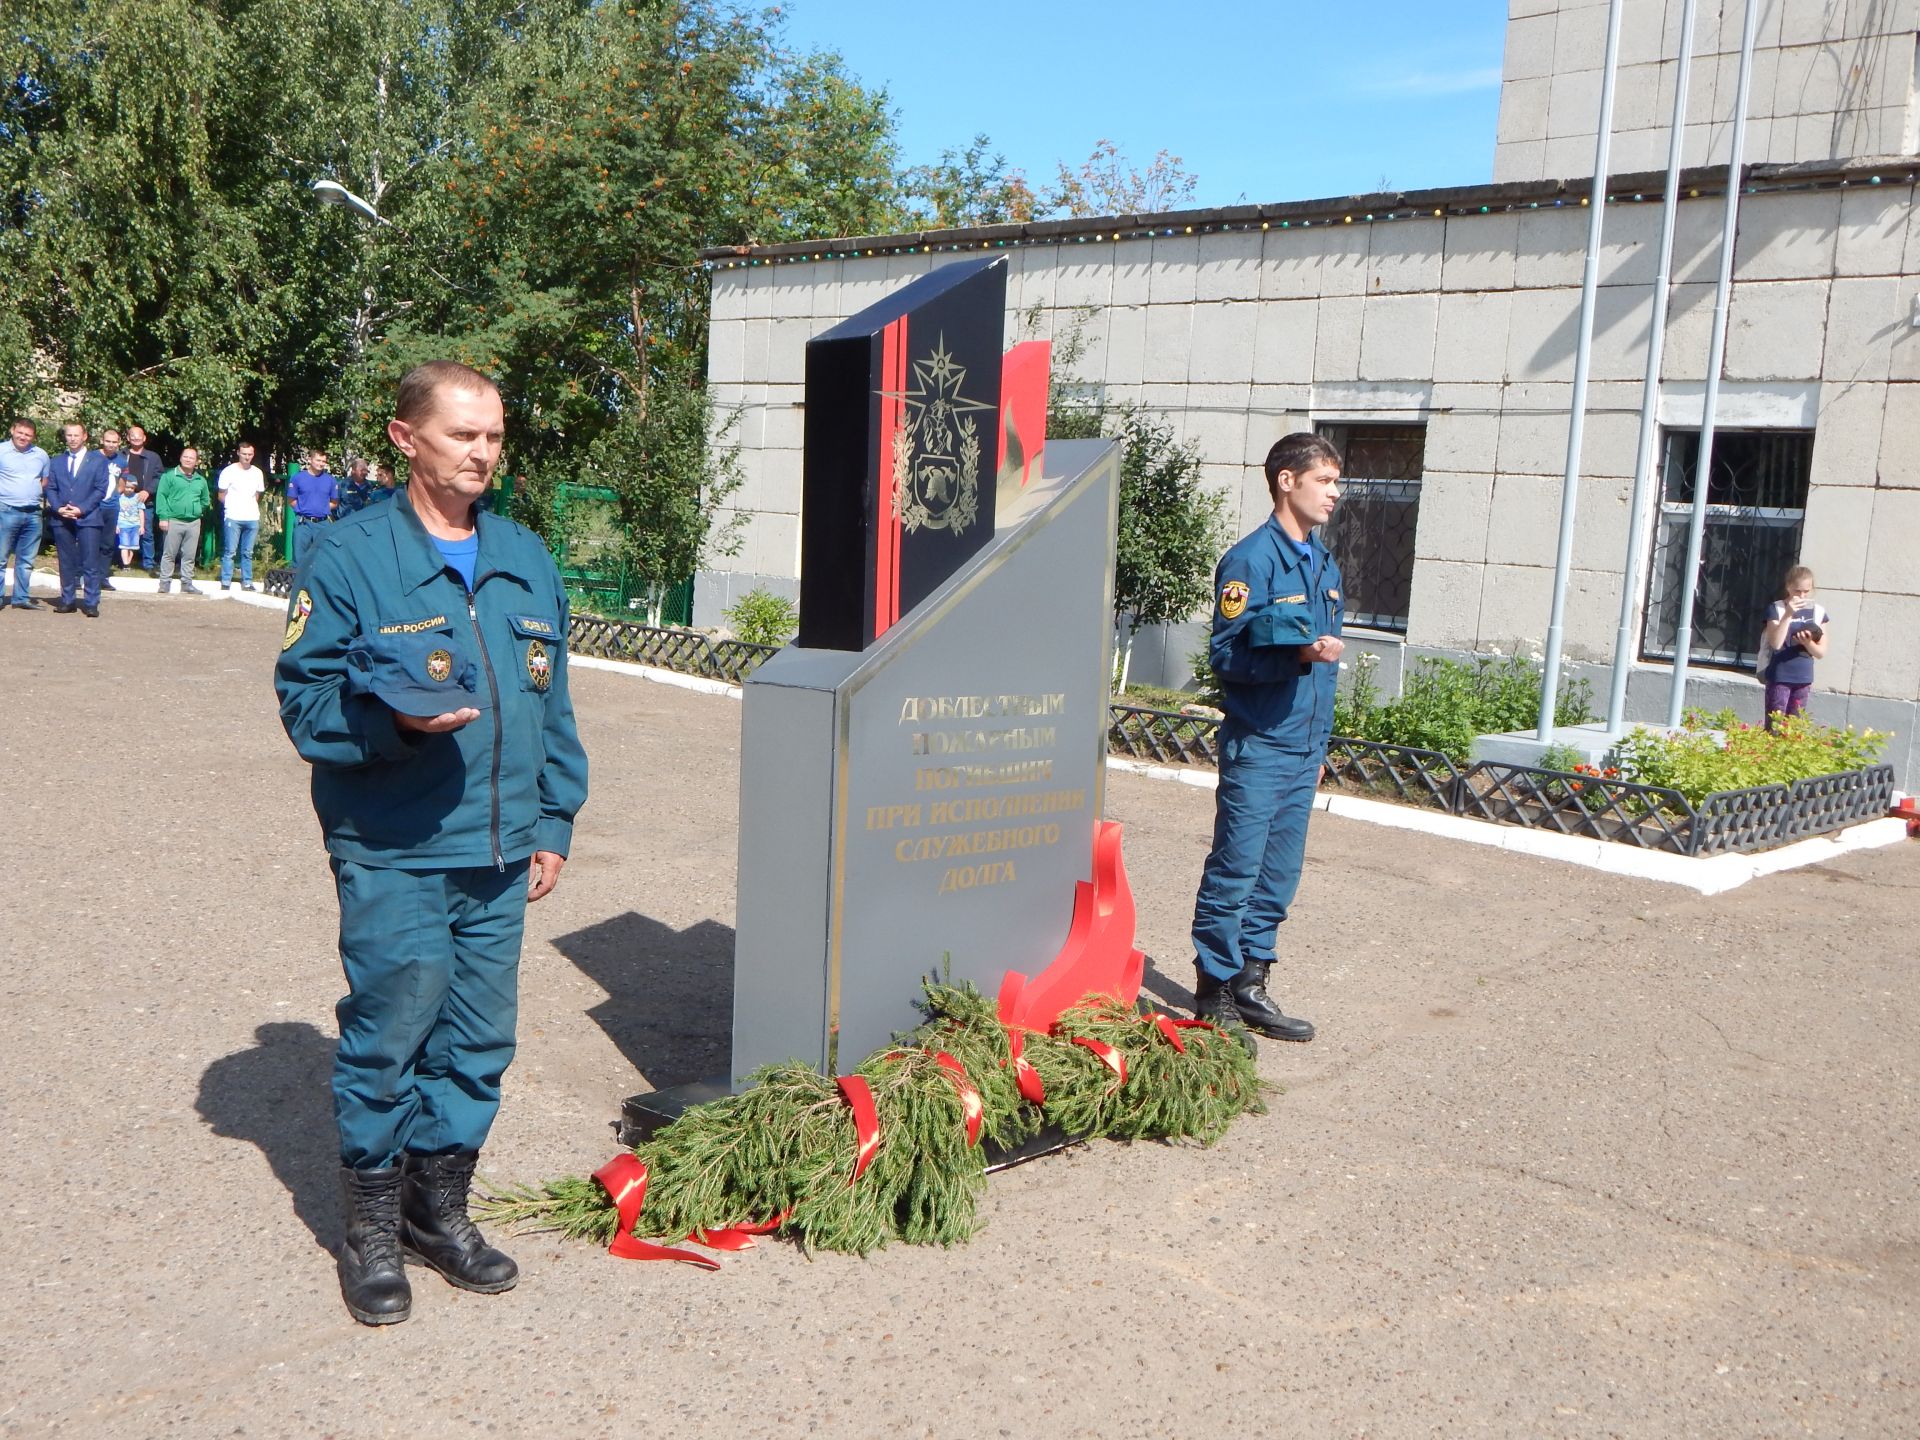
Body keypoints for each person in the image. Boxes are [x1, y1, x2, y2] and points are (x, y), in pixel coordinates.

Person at [275, 360, 588, 1327]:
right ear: (407, 438)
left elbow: (554, 702)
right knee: (390, 1037)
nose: (483, 452)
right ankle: (369, 1226)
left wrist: (554, 818)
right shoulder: (351, 555)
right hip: (397, 846)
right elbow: (304, 699)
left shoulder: (525, 556)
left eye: (493, 436)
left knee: (480, 1044)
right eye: (464, 435)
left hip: (498, 855)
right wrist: (393, 729)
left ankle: (434, 1208)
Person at [1189, 432, 1345, 1046]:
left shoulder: (1323, 561)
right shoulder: (1251, 560)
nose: (1336, 493)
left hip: (1301, 748)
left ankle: (1253, 981)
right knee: (1237, 868)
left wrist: (1320, 746)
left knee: (1278, 874)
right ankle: (1215, 992)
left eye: (1337, 482)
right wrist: (1298, 657)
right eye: (1325, 481)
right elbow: (1225, 655)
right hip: (1259, 743)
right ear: (1287, 480)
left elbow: (1320, 668)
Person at [45, 422, 109, 616]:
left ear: (84, 436)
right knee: (66, 561)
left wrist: (82, 509)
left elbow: (100, 489)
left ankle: (91, 602)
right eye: (69, 435)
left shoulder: (98, 461)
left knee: (90, 562)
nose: (72, 439)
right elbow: (51, 487)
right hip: (62, 518)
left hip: (88, 517)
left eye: (76, 435)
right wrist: (58, 507)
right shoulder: (56, 461)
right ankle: (67, 600)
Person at [1759, 564, 1829, 731]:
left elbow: (1821, 652)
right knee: (1774, 728)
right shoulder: (1776, 608)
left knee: (1794, 729)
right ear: (1788, 587)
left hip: (1803, 677)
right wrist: (1788, 614)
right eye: (1797, 591)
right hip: (1779, 675)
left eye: (1806, 591)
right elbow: (1775, 643)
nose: (1802, 595)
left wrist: (1807, 642)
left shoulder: (1818, 612)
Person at [1, 418, 50, 611]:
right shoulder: (1, 451)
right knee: (1, 558)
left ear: (33, 437)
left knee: (27, 560)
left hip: (33, 513)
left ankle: (21, 598)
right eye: (20, 432)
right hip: (6, 510)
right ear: (12, 430)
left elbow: (44, 480)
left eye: (28, 434)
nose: (23, 437)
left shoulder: (41, 455)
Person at [155, 447, 211, 594]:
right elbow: (161, 497)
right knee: (169, 553)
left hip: (193, 522)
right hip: (173, 520)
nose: (188, 459)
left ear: (196, 461)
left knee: (190, 555)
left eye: (191, 458)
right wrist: (163, 517)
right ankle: (165, 582)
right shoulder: (169, 476)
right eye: (185, 456)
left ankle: (187, 583)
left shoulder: (201, 480)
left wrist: (196, 510)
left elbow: (205, 500)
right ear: (180, 458)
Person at [217, 441, 267, 591]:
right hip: (233, 516)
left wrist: (248, 507)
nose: (247, 457)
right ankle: (226, 581)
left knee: (248, 553)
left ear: (253, 455)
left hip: (252, 518)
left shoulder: (257, 472)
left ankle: (247, 582)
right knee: (230, 551)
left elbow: (257, 495)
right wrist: (232, 506)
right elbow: (221, 494)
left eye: (250, 454)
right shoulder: (229, 471)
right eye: (244, 454)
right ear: (238, 453)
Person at [122, 425, 163, 575]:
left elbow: (159, 477)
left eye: (139, 436)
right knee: (122, 531)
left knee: (146, 533)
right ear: (128, 438)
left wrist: (148, 490)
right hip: (124, 501)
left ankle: (149, 564)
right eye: (133, 436)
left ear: (144, 438)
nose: (136, 439)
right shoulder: (122, 455)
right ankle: (122, 561)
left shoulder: (153, 457)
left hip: (144, 501)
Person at [288, 449, 339, 565]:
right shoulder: (298, 478)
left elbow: (334, 502)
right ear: (309, 460)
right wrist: (304, 509)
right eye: (318, 460)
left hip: (323, 523)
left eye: (323, 461)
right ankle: (297, 582)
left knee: (322, 558)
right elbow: (291, 500)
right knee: (299, 558)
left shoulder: (330, 480)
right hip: (303, 523)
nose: (321, 463)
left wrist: (321, 509)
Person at [96, 429, 127, 590]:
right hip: (93, 507)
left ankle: (102, 577)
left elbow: (122, 484)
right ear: (102, 440)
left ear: (119, 443)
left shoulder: (122, 461)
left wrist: (114, 496)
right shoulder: (92, 457)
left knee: (107, 544)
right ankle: (78, 575)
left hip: (111, 507)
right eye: (108, 441)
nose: (111, 445)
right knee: (88, 542)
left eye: (114, 442)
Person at [114, 474, 145, 568]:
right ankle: (125, 564)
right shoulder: (119, 497)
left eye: (132, 488)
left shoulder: (138, 497)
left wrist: (142, 526)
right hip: (123, 524)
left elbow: (141, 512)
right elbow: (116, 512)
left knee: (133, 546)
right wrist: (116, 525)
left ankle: (129, 562)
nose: (129, 489)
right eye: (127, 487)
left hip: (135, 525)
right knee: (124, 545)